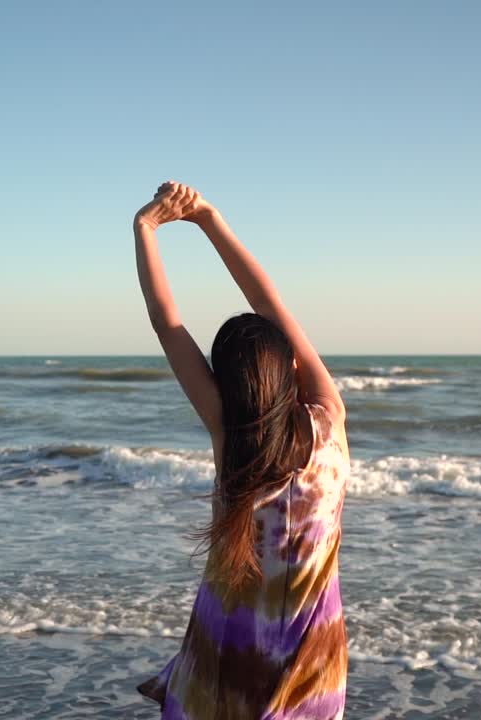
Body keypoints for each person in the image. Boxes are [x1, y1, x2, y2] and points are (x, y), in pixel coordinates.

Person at [132, 181, 350, 719]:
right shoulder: (329, 424)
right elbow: (269, 304)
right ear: (293, 365)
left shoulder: (230, 439)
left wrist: (146, 227)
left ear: (225, 388)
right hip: (312, 683)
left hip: (220, 679)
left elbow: (166, 322)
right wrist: (208, 218)